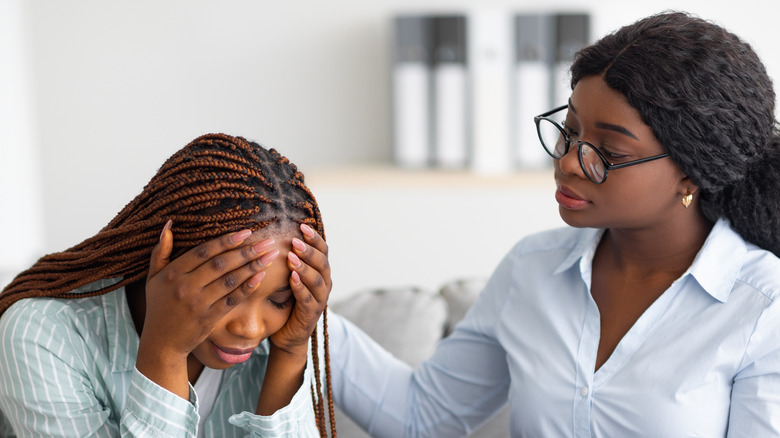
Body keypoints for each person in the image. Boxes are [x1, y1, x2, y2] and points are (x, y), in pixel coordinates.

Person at [328, 11, 780, 437]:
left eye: (609, 153)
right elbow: (420, 417)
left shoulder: (763, 306)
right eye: (570, 131)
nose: (568, 163)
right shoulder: (532, 268)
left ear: (691, 169)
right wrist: (306, 311)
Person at [0, 133, 337, 437]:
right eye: (228, 294)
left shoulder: (287, 335)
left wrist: (290, 354)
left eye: (278, 300)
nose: (249, 329)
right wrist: (165, 352)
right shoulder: (41, 336)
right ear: (167, 256)